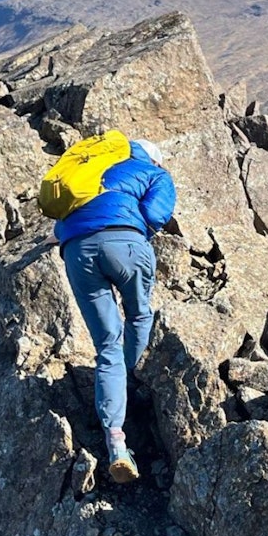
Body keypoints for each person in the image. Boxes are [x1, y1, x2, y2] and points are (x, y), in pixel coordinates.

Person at [56, 138, 175, 484]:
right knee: (139, 316)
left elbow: (62, 223)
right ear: (154, 158)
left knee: (107, 344)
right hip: (125, 243)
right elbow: (155, 214)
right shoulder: (154, 174)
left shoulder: (89, 171)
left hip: (77, 251)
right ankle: (129, 377)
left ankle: (116, 442)